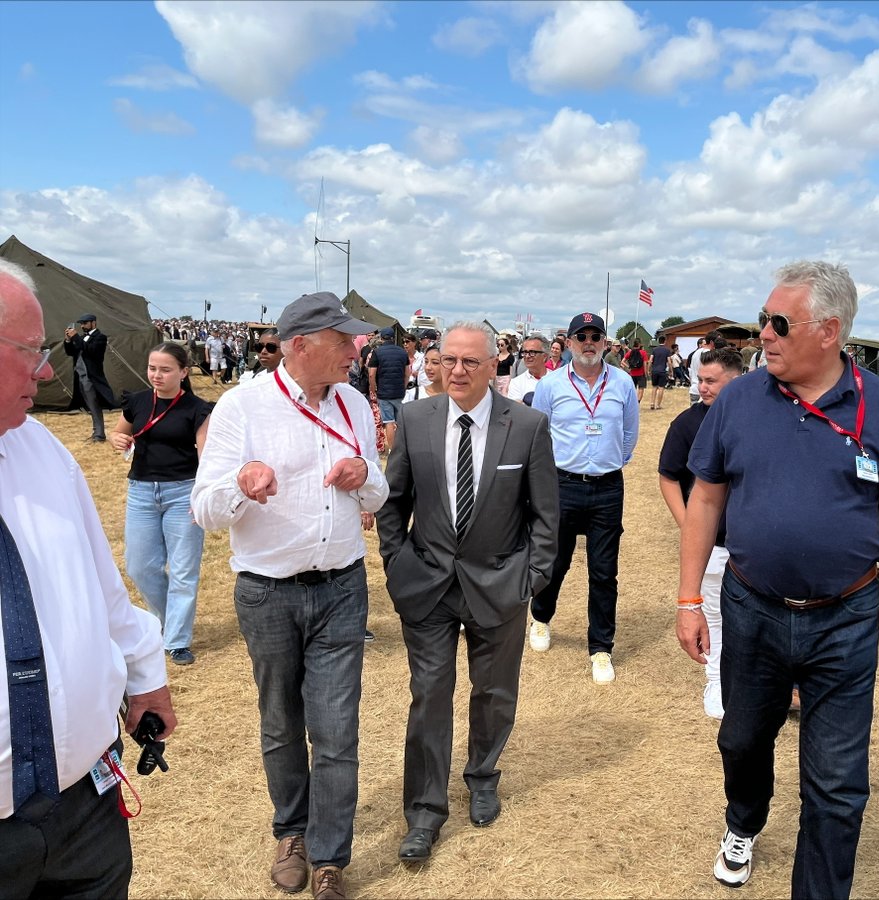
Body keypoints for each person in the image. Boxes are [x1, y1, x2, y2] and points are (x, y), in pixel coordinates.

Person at [677, 261, 879, 898]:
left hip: (845, 618)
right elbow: (704, 500)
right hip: (751, 608)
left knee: (838, 786)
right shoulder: (737, 399)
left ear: (830, 331)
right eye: (764, 318)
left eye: (779, 322)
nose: (763, 333)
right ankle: (744, 821)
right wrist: (686, 599)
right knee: (741, 740)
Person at [191, 291, 387, 900]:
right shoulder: (241, 406)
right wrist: (243, 486)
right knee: (281, 722)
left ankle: (329, 856)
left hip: (341, 588)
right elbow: (204, 508)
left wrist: (366, 477)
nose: (357, 350)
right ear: (300, 345)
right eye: (344, 340)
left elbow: (377, 494)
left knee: (336, 728)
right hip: (267, 592)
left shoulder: (354, 403)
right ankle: (291, 831)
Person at [1, 259, 177, 898]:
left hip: (84, 813)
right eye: (30, 351)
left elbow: (101, 585)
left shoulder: (41, 450)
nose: (48, 370)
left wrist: (145, 675)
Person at [375, 322, 558, 862]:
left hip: (500, 584)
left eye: (470, 362)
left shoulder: (527, 426)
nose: (456, 370)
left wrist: (531, 577)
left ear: (494, 365)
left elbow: (545, 515)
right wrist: (396, 562)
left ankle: (483, 775)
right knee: (429, 696)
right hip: (427, 585)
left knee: (494, 691)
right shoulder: (414, 418)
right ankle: (425, 812)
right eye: (447, 359)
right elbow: (393, 499)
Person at [531, 312, 639, 683]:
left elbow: (628, 434)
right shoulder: (551, 385)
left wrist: (608, 463)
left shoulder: (623, 383)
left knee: (604, 571)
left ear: (605, 342)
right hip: (563, 485)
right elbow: (538, 435)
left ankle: (601, 648)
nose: (589, 342)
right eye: (582, 336)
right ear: (571, 342)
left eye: (596, 336)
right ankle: (542, 618)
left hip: (608, 487)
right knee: (555, 562)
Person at [109, 343, 212, 666]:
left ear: (183, 372)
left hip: (183, 492)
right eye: (152, 368)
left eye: (165, 369)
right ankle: (167, 621)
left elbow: (206, 457)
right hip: (141, 491)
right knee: (139, 566)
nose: (157, 375)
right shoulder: (137, 401)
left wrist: (202, 496)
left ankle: (177, 640)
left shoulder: (197, 409)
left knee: (183, 570)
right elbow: (119, 433)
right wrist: (118, 439)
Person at [658, 346, 742, 719]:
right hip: (713, 546)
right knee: (713, 617)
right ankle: (716, 682)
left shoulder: (756, 420)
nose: (703, 388)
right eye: (700, 380)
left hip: (751, 545)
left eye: (711, 381)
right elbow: (668, 477)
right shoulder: (687, 424)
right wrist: (689, 523)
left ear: (735, 380)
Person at [63, 313, 116, 442]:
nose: (82, 326)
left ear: (93, 323)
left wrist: (75, 337)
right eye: (81, 324)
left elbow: (91, 351)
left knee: (94, 405)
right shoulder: (81, 338)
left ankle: (99, 434)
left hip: (91, 377)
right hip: (80, 376)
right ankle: (96, 432)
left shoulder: (100, 337)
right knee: (89, 405)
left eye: (85, 323)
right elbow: (71, 352)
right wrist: (68, 340)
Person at [367, 327, 409, 451]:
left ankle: (392, 450)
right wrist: (404, 386)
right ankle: (403, 448)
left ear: (381, 338)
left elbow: (371, 374)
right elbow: (407, 373)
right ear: (393, 338)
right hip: (399, 392)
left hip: (384, 392)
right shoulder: (402, 352)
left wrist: (373, 388)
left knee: (389, 421)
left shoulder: (377, 352)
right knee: (401, 421)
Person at [507, 334, 551, 405]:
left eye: (532, 352)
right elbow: (516, 411)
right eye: (525, 352)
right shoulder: (516, 383)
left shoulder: (556, 380)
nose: (527, 356)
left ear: (545, 356)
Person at [649, 338, 672, 409]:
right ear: (665, 341)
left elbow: (650, 360)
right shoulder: (667, 350)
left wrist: (649, 369)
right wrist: (671, 370)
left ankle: (652, 403)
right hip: (662, 371)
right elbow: (669, 361)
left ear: (658, 341)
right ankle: (658, 405)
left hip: (655, 370)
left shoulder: (654, 350)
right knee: (661, 388)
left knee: (654, 387)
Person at [625, 339, 649, 404]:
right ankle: (638, 402)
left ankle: (632, 401)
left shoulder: (630, 352)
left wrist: (629, 367)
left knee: (633, 389)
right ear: (639, 344)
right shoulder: (643, 352)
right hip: (641, 373)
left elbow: (622, 361)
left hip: (632, 373)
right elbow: (645, 363)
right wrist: (646, 373)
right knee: (641, 388)